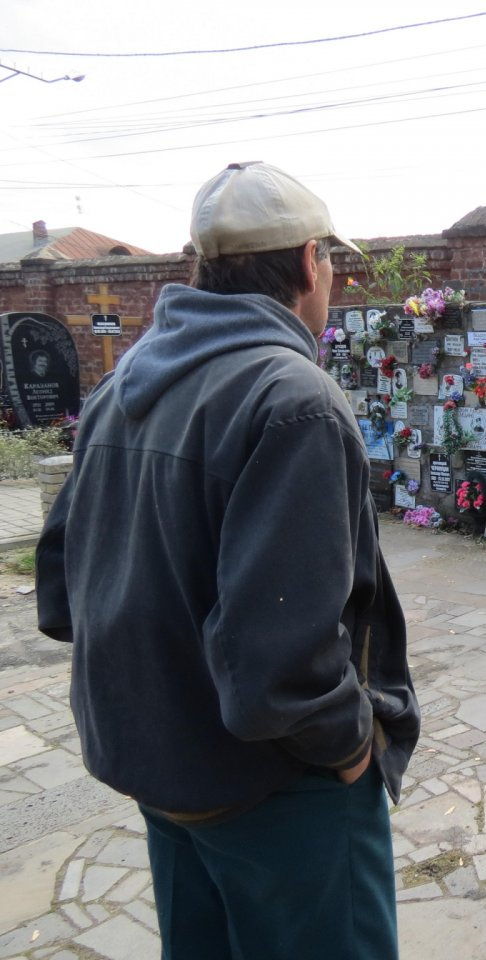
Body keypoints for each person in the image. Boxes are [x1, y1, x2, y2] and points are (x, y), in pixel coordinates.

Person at [36, 161, 420, 960]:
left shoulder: (122, 384)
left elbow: (64, 592)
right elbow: (279, 659)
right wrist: (353, 748)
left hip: (161, 766)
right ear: (311, 262)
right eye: (331, 264)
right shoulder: (293, 399)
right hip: (278, 789)